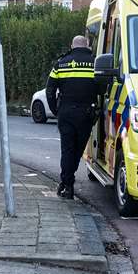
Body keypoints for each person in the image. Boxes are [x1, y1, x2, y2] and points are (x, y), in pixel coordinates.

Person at [46, 35, 101, 199]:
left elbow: (50, 90)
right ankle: (67, 181)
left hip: (66, 113)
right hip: (86, 113)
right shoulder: (95, 63)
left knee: (67, 149)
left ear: (72, 45)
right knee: (78, 150)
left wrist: (56, 111)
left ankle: (67, 184)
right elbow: (102, 88)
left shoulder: (61, 63)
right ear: (88, 45)